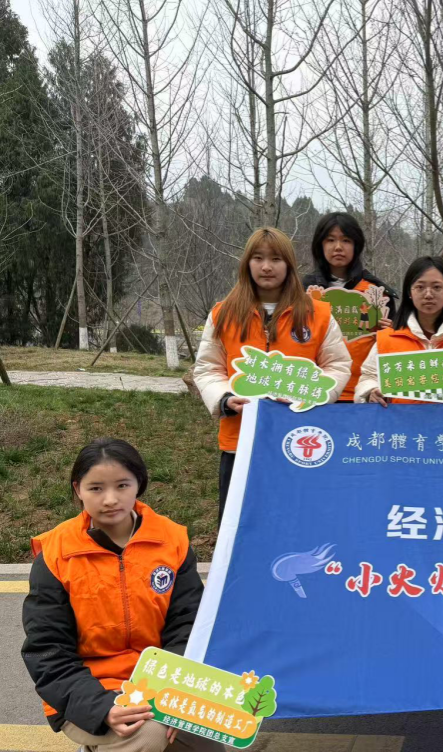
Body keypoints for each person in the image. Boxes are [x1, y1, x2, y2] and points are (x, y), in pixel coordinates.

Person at [22, 439, 221, 752]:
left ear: (139, 484)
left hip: (161, 683)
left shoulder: (171, 541)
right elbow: (47, 651)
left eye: (122, 485)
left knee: (210, 735)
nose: (111, 499)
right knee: (149, 734)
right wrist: (102, 709)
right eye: (96, 488)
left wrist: (173, 695)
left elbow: (189, 626)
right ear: (78, 489)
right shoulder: (55, 555)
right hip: (90, 691)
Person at [193, 227, 351, 520]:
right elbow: (208, 368)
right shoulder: (223, 314)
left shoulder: (318, 314)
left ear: (289, 265)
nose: (266, 267)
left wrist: (313, 396)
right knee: (239, 525)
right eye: (258, 258)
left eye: (276, 259)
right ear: (247, 263)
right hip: (240, 441)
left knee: (295, 523)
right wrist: (225, 399)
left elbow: (338, 366)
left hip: (299, 441)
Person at [354, 256, 443, 406]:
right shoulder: (388, 338)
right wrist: (371, 391)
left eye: (437, 287)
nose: (428, 294)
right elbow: (369, 377)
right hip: (402, 420)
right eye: (420, 287)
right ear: (409, 292)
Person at [301, 212, 398, 402]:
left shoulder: (378, 293)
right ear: (320, 245)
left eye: (346, 240)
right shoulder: (302, 291)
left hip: (365, 395)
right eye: (330, 240)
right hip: (314, 393)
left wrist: (389, 334)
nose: (338, 247)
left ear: (356, 245)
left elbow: (394, 348)